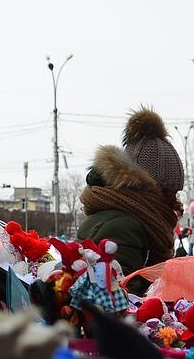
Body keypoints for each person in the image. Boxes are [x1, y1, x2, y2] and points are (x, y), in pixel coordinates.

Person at [77, 107, 184, 284]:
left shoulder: (134, 219)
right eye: (170, 193)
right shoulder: (124, 227)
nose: (176, 204)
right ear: (151, 192)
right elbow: (122, 297)